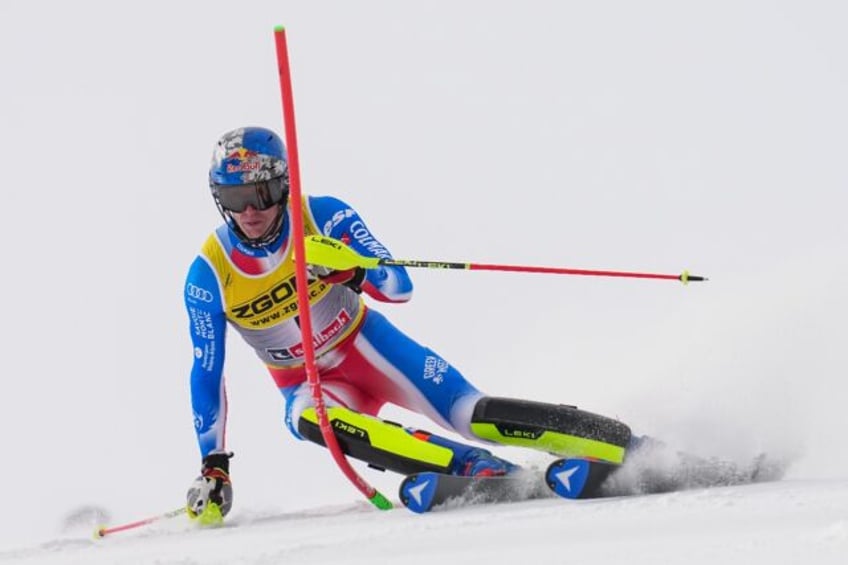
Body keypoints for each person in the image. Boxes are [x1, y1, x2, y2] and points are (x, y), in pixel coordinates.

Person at [183, 127, 632, 524]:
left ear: (282, 186)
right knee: (306, 418)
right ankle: (476, 469)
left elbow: (399, 286)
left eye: (259, 194)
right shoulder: (209, 272)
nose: (249, 212)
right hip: (309, 382)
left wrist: (352, 270)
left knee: (469, 412)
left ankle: (619, 444)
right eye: (234, 199)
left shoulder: (321, 214)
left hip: (369, 347)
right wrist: (214, 464)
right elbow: (207, 371)